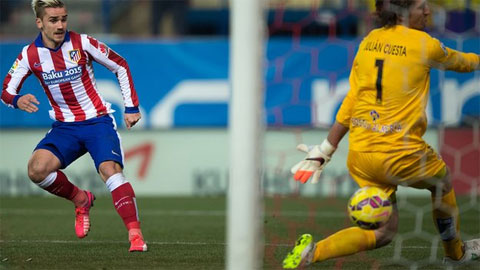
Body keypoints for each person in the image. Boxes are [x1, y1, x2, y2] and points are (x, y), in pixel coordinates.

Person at [282, 0, 480, 268]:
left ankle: (312, 253)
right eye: (421, 6)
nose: (428, 11)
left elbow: (353, 98)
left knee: (384, 231)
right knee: (441, 183)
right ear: (402, 11)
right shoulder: (425, 44)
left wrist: (327, 148)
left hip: (362, 154)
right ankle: (456, 253)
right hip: (402, 153)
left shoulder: (370, 40)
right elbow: (464, 63)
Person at [1, 0, 147, 252]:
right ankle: (80, 199)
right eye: (53, 20)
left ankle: (135, 235)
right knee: (36, 170)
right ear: (39, 23)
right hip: (64, 127)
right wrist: (17, 100)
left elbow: (120, 65)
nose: (60, 26)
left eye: (63, 19)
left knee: (109, 170)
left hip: (96, 121)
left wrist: (131, 107)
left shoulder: (83, 43)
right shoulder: (29, 55)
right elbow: (5, 90)